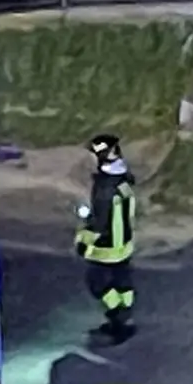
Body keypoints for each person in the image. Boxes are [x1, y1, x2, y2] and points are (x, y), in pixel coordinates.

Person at [77, 131, 138, 345]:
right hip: (125, 244)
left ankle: (117, 320)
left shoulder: (104, 188)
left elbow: (99, 222)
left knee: (98, 284)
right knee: (123, 282)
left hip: (107, 247)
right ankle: (126, 318)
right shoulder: (124, 179)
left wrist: (84, 243)